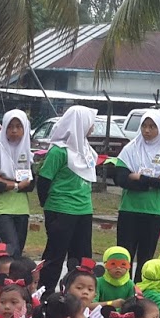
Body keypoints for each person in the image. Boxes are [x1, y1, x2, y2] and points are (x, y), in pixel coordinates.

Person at [37, 105, 99, 296]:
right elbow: (44, 180)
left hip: (83, 210)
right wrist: (48, 205)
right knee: (55, 255)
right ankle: (45, 294)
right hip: (61, 209)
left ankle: (75, 293)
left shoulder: (86, 150)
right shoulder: (59, 151)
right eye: (91, 122)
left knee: (81, 257)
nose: (93, 127)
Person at [112, 109, 160, 276]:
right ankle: (123, 291)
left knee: (146, 258)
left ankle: (140, 294)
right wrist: (153, 181)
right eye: (144, 126)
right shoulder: (130, 149)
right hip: (129, 209)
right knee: (124, 256)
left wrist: (139, 177)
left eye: (152, 127)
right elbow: (121, 179)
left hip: (154, 212)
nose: (147, 131)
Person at [0, 110, 35, 257]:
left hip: (21, 210)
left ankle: (6, 277)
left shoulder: (28, 155)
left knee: (15, 252)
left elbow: (30, 185)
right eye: (10, 127)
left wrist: (2, 180)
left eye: (19, 126)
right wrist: (16, 185)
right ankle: (1, 277)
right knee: (11, 250)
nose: (14, 130)